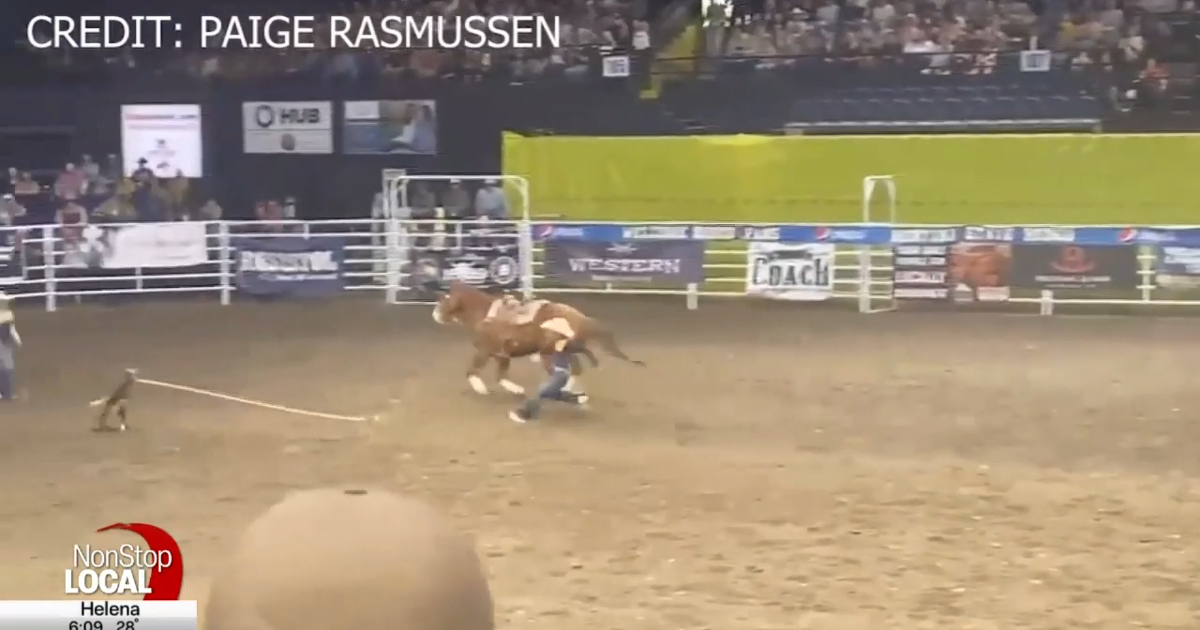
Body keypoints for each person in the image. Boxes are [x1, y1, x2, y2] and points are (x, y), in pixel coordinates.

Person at [508, 317, 589, 423]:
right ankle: (576, 398)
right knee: (551, 394)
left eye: (550, 332)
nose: (547, 334)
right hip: (559, 374)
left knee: (542, 393)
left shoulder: (563, 343)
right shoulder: (557, 343)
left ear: (558, 333)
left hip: (561, 376)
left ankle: (525, 414)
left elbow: (572, 352)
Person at [0, 293, 21, 401]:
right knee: (6, 368)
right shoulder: (8, 313)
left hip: (6, 342)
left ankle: (7, 392)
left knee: (7, 368)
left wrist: (17, 338)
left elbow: (11, 328)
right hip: (4, 342)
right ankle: (6, 392)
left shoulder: (9, 314)